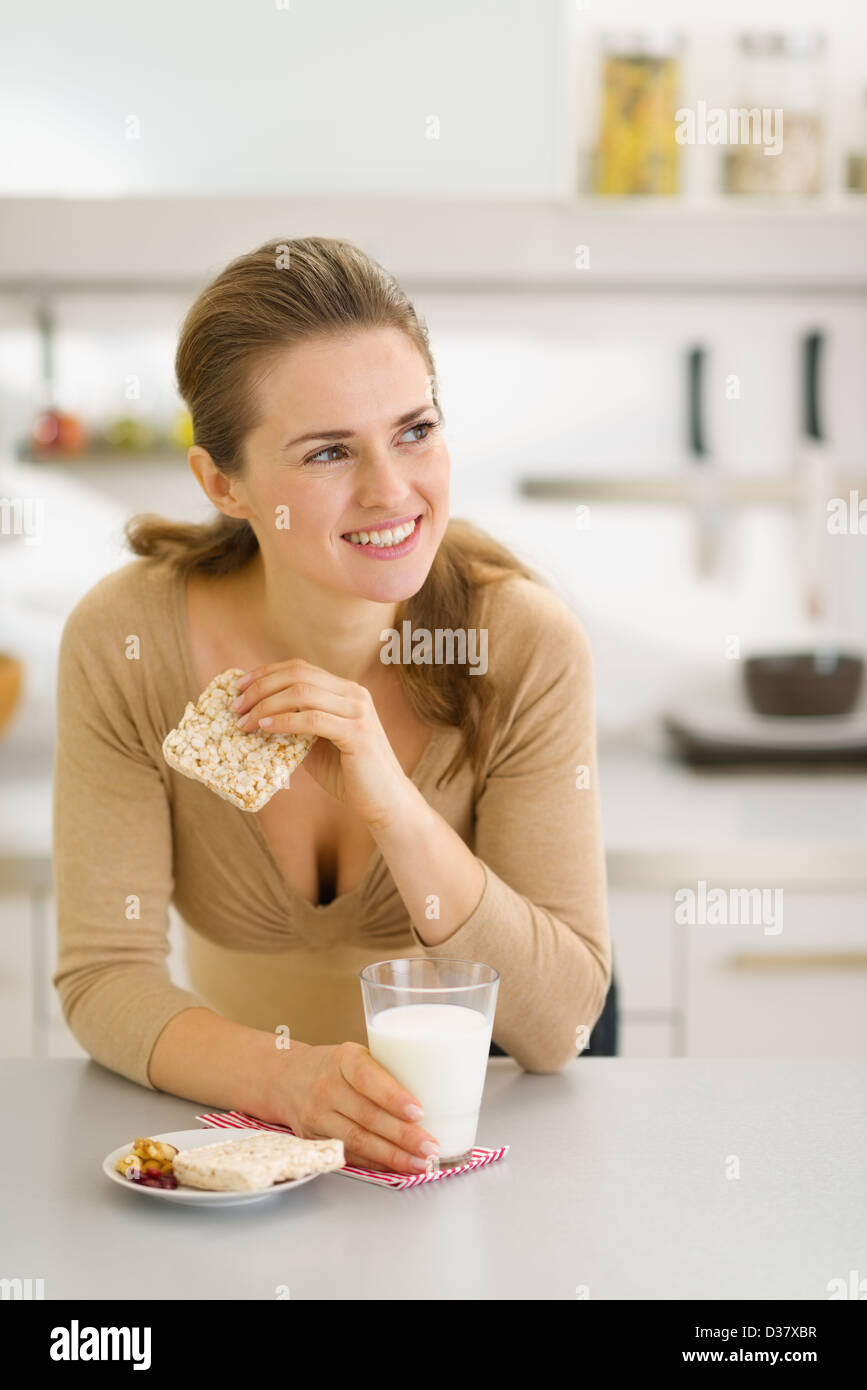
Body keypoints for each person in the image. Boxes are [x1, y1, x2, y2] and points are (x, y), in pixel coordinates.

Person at [53, 236, 610, 1175]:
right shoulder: (125, 641)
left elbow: (558, 1029)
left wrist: (395, 803)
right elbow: (105, 977)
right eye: (326, 453)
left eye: (415, 430)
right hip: (245, 1148)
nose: (392, 491)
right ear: (221, 485)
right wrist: (290, 1085)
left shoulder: (522, 644)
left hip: (497, 1138)